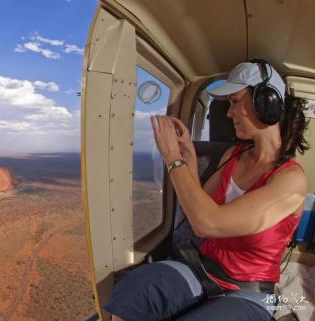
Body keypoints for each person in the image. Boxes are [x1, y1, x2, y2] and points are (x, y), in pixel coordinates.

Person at [104, 60, 309, 321]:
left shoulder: (291, 180)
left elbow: (208, 223)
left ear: (266, 102)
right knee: (132, 294)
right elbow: (199, 204)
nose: (229, 113)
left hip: (248, 292)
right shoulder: (232, 156)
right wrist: (187, 155)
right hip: (200, 269)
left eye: (235, 101)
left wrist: (172, 160)